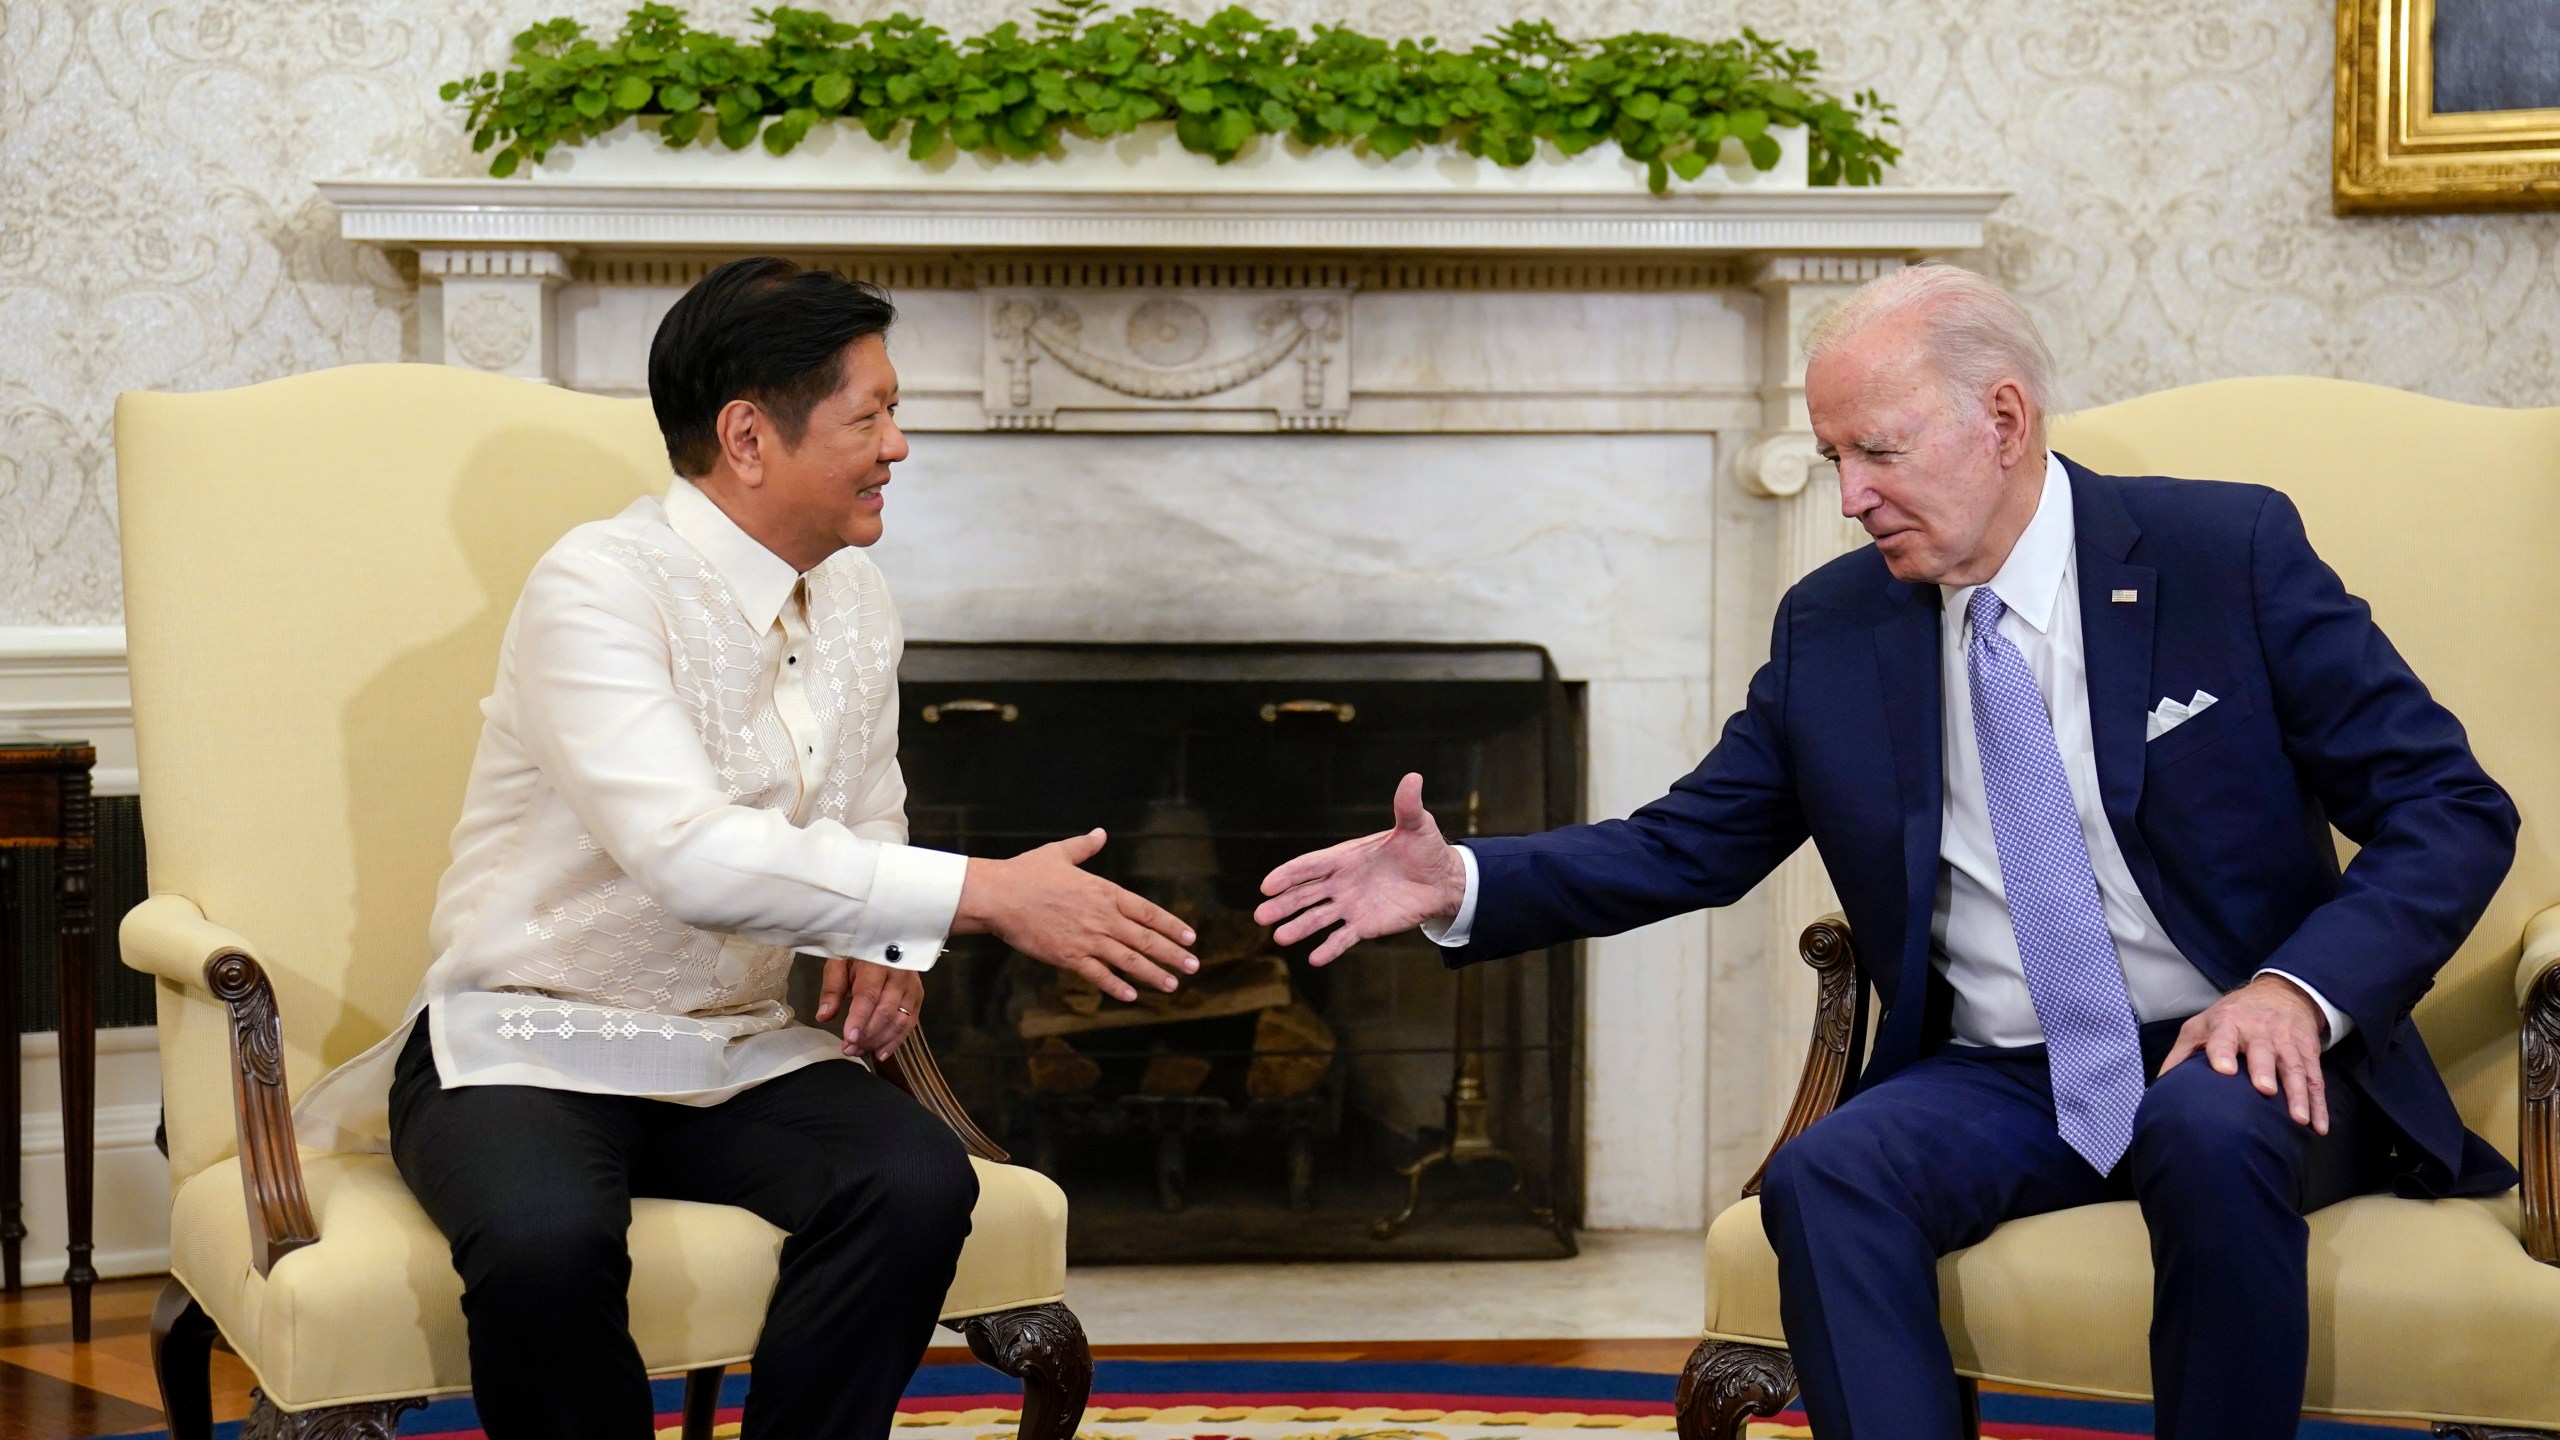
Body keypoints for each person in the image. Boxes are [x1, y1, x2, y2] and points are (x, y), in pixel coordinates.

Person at [1253, 263, 2519, 1440]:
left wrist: (2293, 993)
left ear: (2005, 420)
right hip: (2010, 1074)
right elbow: (1691, 841)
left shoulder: (2222, 555)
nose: (1848, 494)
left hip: (2238, 1045)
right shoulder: (1836, 623)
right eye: (1831, 456)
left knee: (2206, 1126)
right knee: (1826, 1175)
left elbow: (2447, 806)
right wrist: (1460, 879)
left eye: (1878, 450)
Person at [292, 256, 1201, 1439]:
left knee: (917, 1185)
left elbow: (868, 801)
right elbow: (683, 851)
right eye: (868, 415)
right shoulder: (596, 588)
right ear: (747, 436)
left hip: (734, 1053)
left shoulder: (858, 597)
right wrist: (976, 895)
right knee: (544, 1242)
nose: (899, 446)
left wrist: (889, 942)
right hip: (527, 1039)